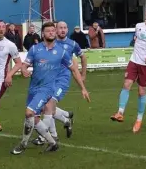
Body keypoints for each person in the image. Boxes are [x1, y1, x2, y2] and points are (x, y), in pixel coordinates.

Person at [6, 22, 90, 155]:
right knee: (35, 118)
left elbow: (73, 69)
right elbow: (25, 64)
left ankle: (23, 144)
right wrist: (23, 70)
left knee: (29, 113)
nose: (51, 32)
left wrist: (83, 88)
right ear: (43, 34)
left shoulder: (61, 52)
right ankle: (53, 142)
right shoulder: (35, 49)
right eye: (48, 31)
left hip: (47, 89)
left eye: (53, 31)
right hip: (33, 88)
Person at [110, 6, 146, 133]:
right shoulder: (138, 26)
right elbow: (135, 39)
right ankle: (120, 112)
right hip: (134, 61)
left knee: (141, 92)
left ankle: (139, 119)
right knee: (126, 84)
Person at [31, 21, 88, 145]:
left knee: (49, 104)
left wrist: (83, 75)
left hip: (62, 79)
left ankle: (45, 137)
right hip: (49, 79)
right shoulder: (51, 43)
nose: (62, 30)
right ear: (56, 30)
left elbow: (82, 58)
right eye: (60, 28)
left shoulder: (72, 44)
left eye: (65, 28)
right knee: (46, 107)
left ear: (67, 30)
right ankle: (66, 118)